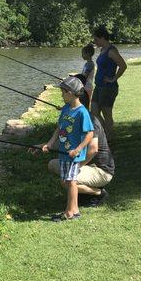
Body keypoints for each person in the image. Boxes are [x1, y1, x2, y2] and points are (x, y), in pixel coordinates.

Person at [40, 76, 94, 222]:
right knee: (69, 181)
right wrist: (50, 144)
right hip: (64, 152)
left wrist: (78, 149)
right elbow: (59, 128)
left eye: (63, 92)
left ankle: (69, 212)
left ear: (70, 92)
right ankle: (74, 210)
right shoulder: (66, 109)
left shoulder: (82, 112)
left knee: (70, 182)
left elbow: (90, 134)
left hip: (73, 154)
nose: (61, 95)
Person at [48, 114, 115, 207]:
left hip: (102, 171)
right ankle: (83, 192)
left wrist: (76, 166)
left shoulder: (91, 122)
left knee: (66, 180)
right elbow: (63, 143)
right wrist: (44, 146)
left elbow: (93, 150)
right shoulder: (77, 121)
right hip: (89, 167)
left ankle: (98, 192)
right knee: (52, 164)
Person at [91, 25, 127, 141]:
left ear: (102, 38)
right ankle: (105, 133)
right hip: (99, 86)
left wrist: (114, 78)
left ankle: (109, 139)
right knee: (94, 112)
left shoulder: (111, 51)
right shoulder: (103, 50)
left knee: (107, 115)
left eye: (96, 39)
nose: (95, 42)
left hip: (108, 87)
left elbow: (123, 65)